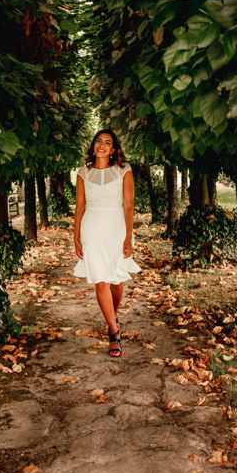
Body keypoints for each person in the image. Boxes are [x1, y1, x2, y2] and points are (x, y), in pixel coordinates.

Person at [73, 128, 141, 357]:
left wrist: (128, 237)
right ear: (93, 145)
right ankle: (114, 332)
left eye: (107, 142)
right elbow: (80, 208)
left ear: (113, 149)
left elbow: (129, 206)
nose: (101, 145)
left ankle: (112, 316)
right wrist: (76, 237)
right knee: (100, 280)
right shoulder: (82, 173)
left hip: (116, 226)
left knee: (116, 280)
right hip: (91, 227)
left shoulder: (124, 171)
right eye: (98, 141)